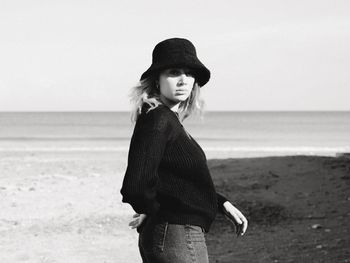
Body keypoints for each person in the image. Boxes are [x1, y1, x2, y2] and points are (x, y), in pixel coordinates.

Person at [120, 37, 248, 263]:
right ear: (157, 80)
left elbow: (173, 182)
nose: (183, 80)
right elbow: (136, 185)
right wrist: (153, 210)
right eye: (173, 72)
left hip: (171, 234)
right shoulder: (158, 119)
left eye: (189, 74)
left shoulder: (165, 119)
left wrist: (220, 202)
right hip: (177, 235)